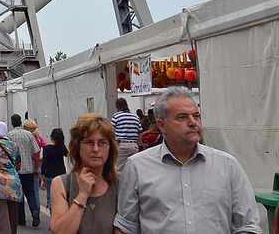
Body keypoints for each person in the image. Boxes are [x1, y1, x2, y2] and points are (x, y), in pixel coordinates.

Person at [114, 86, 262, 234]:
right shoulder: (137, 167)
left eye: (196, 116)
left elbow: (248, 226)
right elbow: (126, 227)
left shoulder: (227, 165)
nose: (193, 122)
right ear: (162, 125)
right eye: (182, 117)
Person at [50, 114, 119, 234]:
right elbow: (60, 231)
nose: (96, 149)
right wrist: (82, 194)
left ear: (110, 148)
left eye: (102, 143)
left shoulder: (121, 185)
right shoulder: (62, 184)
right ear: (77, 147)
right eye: (89, 142)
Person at [7, 113, 40, 227]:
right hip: (28, 169)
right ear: (21, 122)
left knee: (19, 194)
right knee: (30, 192)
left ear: (12, 123)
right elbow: (36, 151)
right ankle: (34, 210)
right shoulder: (29, 135)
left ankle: (21, 219)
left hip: (16, 169)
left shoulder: (9, 135)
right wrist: (36, 167)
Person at [110, 98, 142, 174]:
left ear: (117, 107)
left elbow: (110, 131)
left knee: (118, 170)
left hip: (121, 146)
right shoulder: (135, 117)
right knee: (133, 169)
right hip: (134, 146)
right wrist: (136, 145)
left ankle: (119, 185)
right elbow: (140, 133)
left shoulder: (116, 116)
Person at [39, 128, 67, 211]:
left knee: (50, 198)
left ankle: (53, 219)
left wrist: (42, 178)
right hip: (61, 174)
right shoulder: (62, 148)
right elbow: (68, 154)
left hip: (50, 175)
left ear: (51, 136)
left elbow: (44, 164)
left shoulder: (47, 149)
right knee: (62, 197)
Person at [23, 120, 45, 213]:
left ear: (27, 128)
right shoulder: (39, 138)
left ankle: (22, 214)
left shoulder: (28, 138)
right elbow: (46, 147)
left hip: (28, 165)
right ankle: (37, 210)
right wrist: (42, 159)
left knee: (24, 189)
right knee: (35, 190)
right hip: (37, 165)